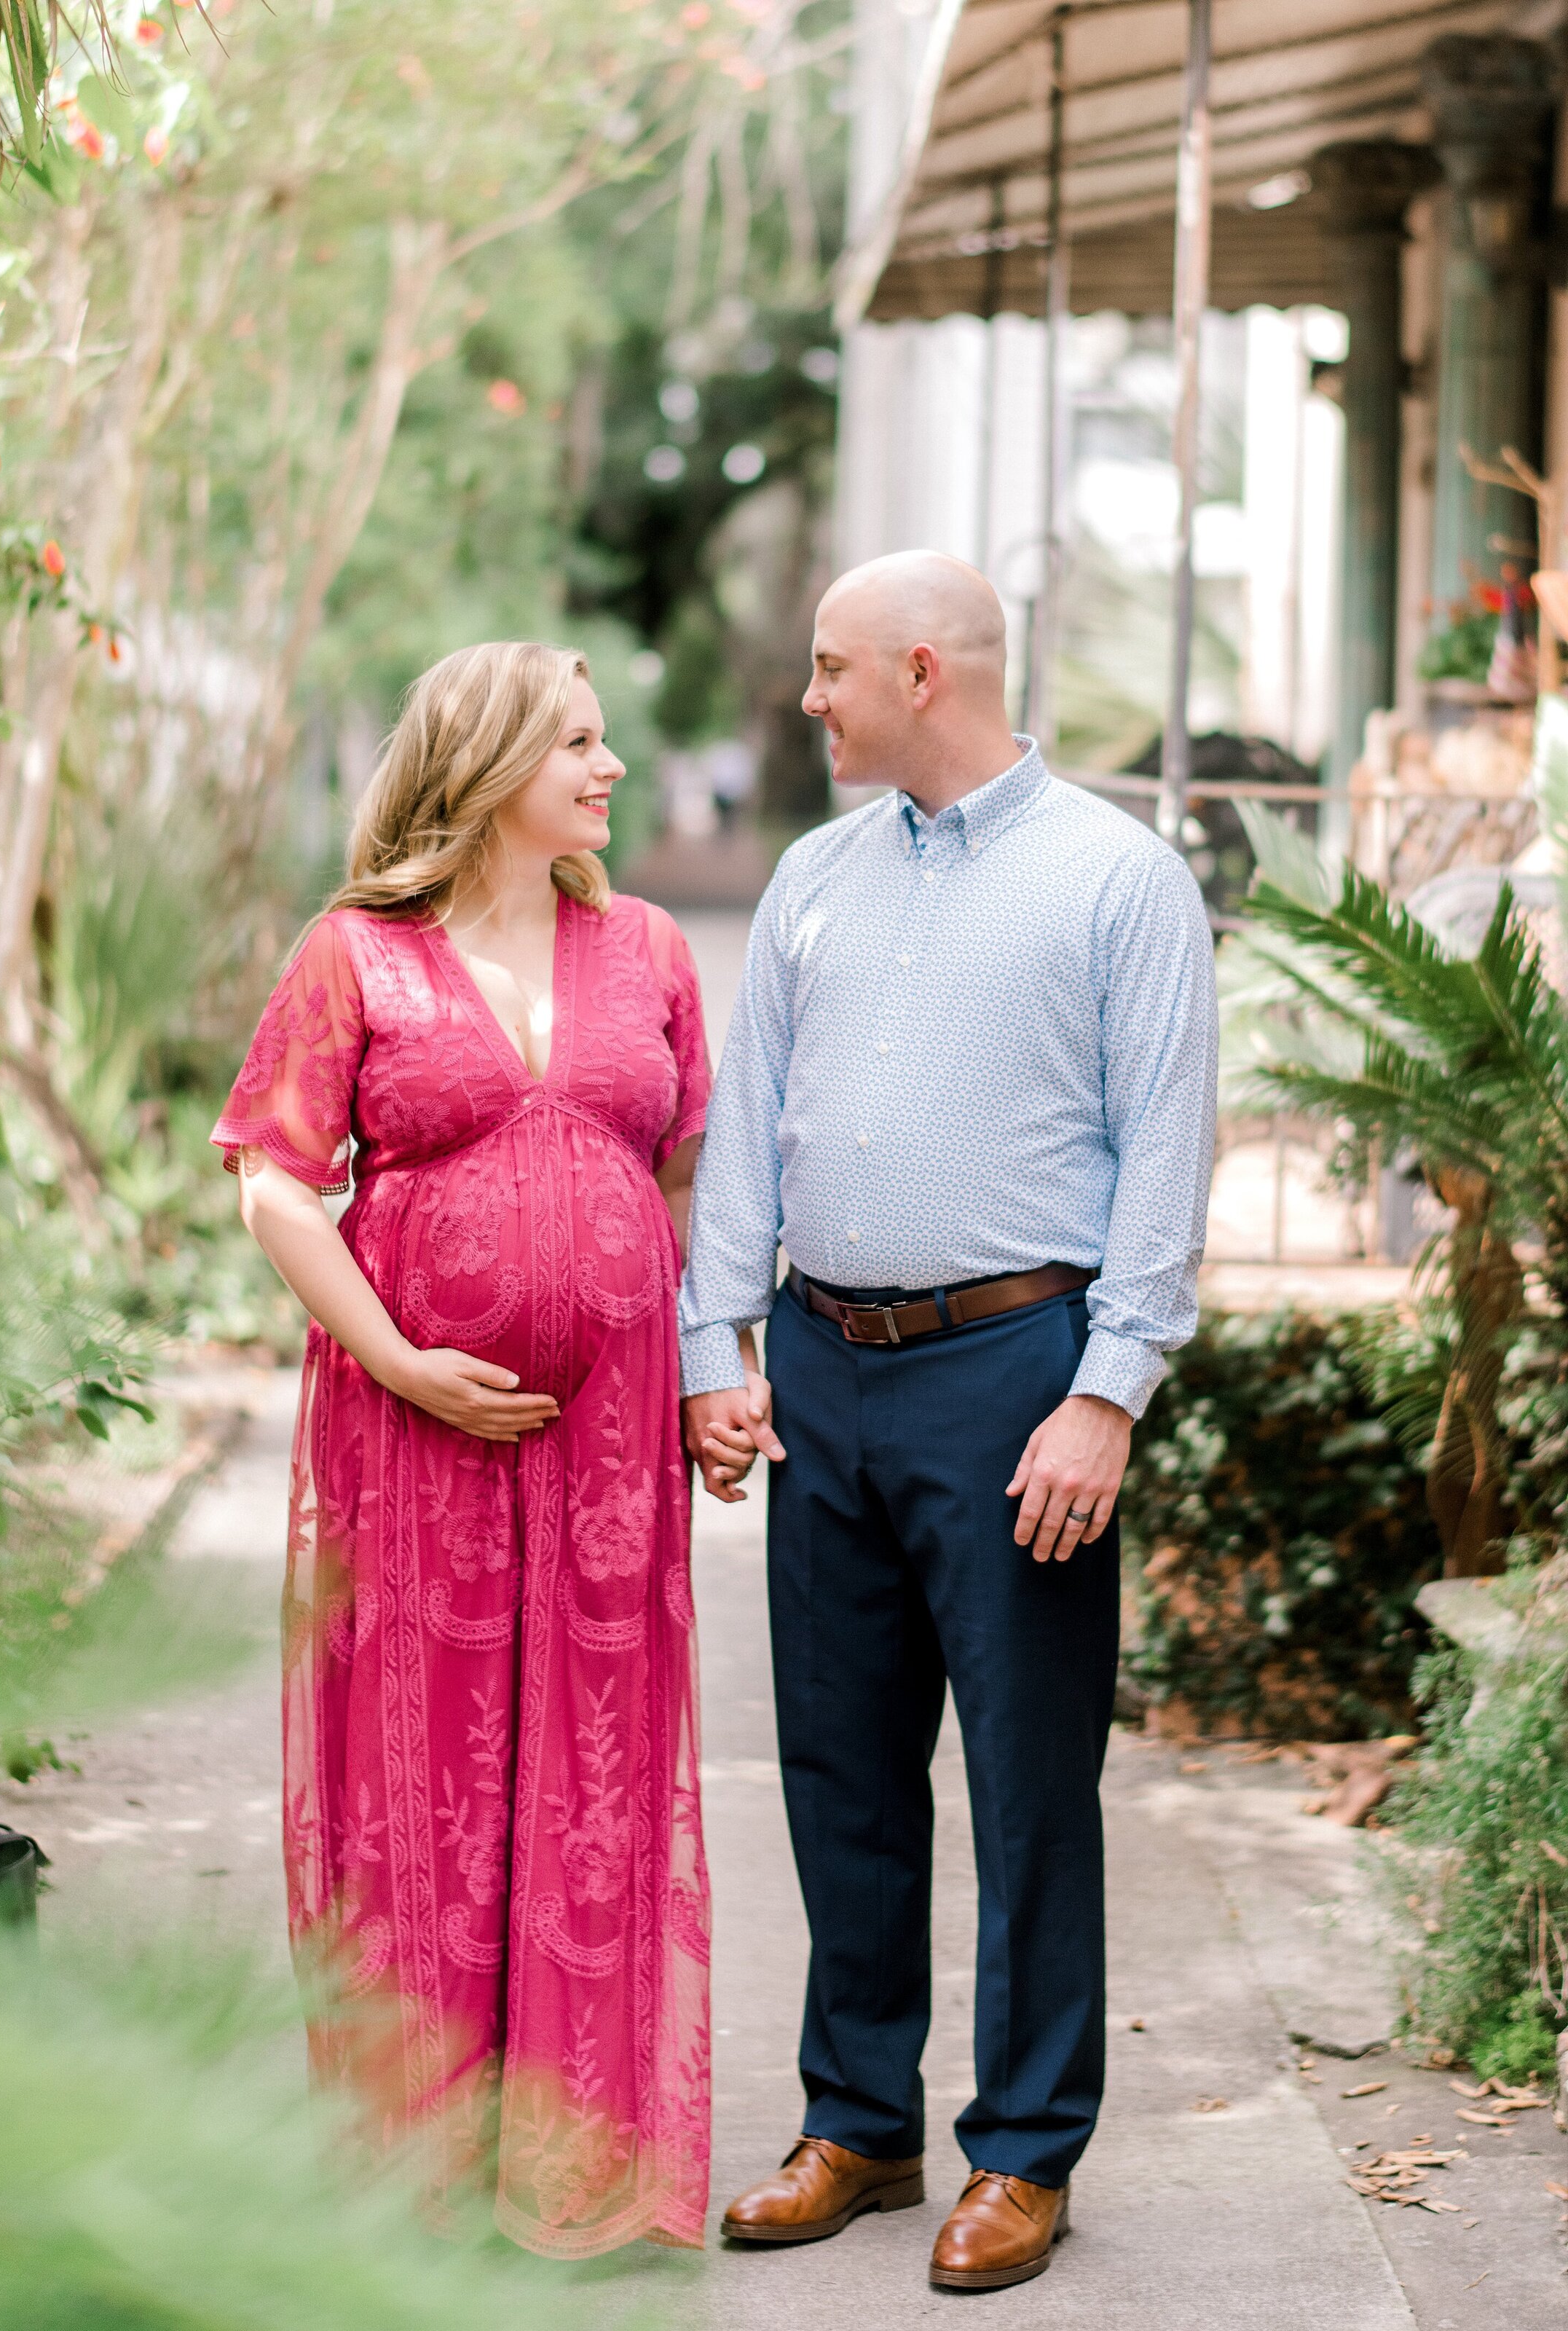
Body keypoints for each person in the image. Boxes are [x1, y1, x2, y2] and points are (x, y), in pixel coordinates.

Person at [679, 552, 1216, 2292]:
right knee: (839, 1765)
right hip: (824, 1374)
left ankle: (1027, 2147)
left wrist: (1105, 1393)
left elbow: (1166, 1155)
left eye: (832, 670)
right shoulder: (814, 876)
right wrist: (718, 1340)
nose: (810, 698)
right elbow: (749, 1125)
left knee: (1029, 1779)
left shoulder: (1121, 880)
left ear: (923, 670)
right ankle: (860, 2122)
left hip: (1016, 1378)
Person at [216, 641, 716, 2257]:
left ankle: (573, 2155)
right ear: (494, 761)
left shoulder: (646, 949)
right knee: (422, 1774)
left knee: (593, 1774)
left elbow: (688, 1177)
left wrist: (712, 1369)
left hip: (608, 1454)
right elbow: (280, 1181)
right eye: (579, 740)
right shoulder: (357, 953)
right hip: (407, 1428)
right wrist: (401, 1359)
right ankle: (418, 2163)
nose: (611, 767)